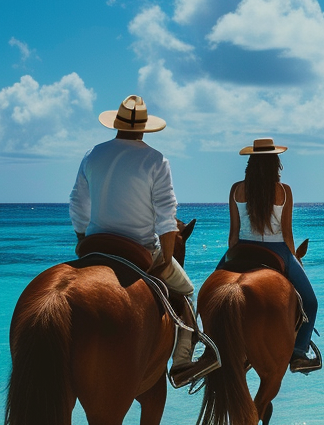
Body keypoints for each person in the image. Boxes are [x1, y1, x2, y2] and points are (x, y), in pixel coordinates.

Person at [68, 95, 217, 388]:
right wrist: (164, 260)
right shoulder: (155, 160)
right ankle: (182, 363)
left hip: (95, 244)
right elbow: (165, 217)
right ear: (144, 129)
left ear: (116, 124)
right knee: (187, 290)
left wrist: (83, 239)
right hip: (140, 248)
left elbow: (77, 204)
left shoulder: (92, 155)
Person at [228, 138, 321, 374]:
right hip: (276, 248)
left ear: (250, 161)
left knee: (210, 292)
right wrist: (294, 260)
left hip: (241, 249)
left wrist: (231, 256)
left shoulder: (237, 189)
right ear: (275, 162)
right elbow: (287, 234)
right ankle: (299, 353)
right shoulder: (284, 191)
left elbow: (233, 234)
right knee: (310, 302)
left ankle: (208, 349)